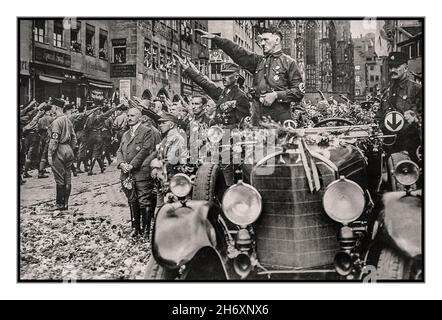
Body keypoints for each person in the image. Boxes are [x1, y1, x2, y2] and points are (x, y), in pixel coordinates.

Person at [197, 25, 305, 123]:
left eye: (265, 40)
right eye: (261, 40)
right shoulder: (258, 61)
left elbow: (298, 92)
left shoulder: (289, 63)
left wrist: (276, 95)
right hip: (258, 122)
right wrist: (217, 40)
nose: (262, 43)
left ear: (277, 40)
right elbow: (239, 52)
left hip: (280, 123)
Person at [117, 108, 161, 238]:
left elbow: (145, 150)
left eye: (132, 115)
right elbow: (119, 151)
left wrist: (132, 165)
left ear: (139, 117)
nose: (129, 118)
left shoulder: (147, 132)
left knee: (144, 201)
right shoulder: (125, 134)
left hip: (141, 172)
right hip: (126, 174)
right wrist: (121, 164)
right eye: (128, 115)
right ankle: (135, 229)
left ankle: (146, 231)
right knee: (132, 200)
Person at [177, 56, 250, 129]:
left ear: (236, 77)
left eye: (227, 74)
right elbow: (204, 83)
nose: (223, 77)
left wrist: (222, 129)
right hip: (216, 135)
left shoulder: (240, 96)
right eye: (223, 74)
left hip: (230, 136)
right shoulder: (222, 93)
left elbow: (243, 123)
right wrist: (186, 68)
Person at [375, 51, 422, 161]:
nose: (392, 70)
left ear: (405, 67)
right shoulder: (387, 92)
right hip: (388, 146)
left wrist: (416, 118)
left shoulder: (416, 89)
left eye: (396, 66)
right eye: (391, 67)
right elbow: (379, 116)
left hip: (409, 146)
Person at [47, 103, 77, 211]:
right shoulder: (68, 121)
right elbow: (74, 138)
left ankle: (59, 204)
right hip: (68, 149)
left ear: (58, 108)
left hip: (59, 149)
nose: (52, 109)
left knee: (59, 179)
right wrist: (70, 149)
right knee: (67, 178)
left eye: (54, 107)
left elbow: (54, 139)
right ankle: (66, 203)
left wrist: (50, 154)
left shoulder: (56, 122)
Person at [84, 103, 122, 175]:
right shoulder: (100, 117)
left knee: (93, 152)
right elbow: (108, 113)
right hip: (98, 135)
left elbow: (86, 128)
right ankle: (90, 170)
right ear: (97, 111)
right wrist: (116, 107)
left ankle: (101, 167)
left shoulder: (88, 118)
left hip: (90, 136)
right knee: (95, 152)